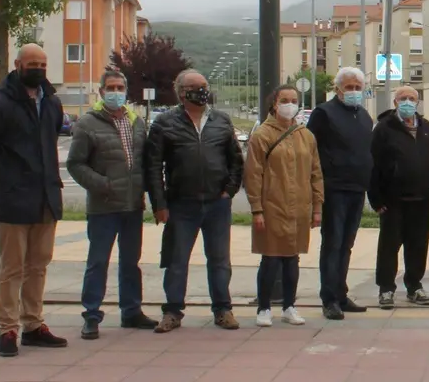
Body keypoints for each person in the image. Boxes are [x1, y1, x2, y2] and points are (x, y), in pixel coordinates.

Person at [0, 44, 69, 357]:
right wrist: (2, 185)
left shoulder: (52, 103)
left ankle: (33, 324)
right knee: (12, 268)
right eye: (32, 64)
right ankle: (8, 329)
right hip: (13, 200)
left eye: (42, 63)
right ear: (17, 64)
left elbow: (50, 144)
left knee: (38, 266)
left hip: (46, 199)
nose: (38, 69)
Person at [146, 69, 245, 333]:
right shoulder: (164, 123)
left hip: (217, 203)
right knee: (177, 260)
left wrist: (229, 190)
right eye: (195, 87)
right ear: (181, 92)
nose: (202, 91)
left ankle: (223, 309)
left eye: (204, 86)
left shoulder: (221, 121)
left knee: (220, 260)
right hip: (181, 204)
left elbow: (236, 160)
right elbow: (153, 167)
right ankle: (173, 312)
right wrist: (159, 204)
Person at [66, 70, 157, 340]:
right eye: (111, 87)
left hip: (132, 206)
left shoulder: (136, 122)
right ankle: (92, 315)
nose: (116, 92)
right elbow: (75, 164)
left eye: (120, 87)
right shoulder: (87, 123)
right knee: (98, 262)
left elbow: (144, 163)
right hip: (103, 206)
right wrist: (103, 184)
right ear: (101, 91)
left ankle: (131, 311)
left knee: (131, 262)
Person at [244, 85, 324, 327]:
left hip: (299, 206)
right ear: (274, 104)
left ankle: (290, 306)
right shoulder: (262, 135)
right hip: (272, 206)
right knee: (270, 258)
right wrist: (256, 208)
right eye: (285, 100)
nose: (290, 104)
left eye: (294, 100)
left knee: (292, 258)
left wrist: (317, 206)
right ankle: (264, 308)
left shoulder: (305, 135)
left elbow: (315, 172)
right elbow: (253, 174)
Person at [306, 67, 373, 319]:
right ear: (337, 89)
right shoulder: (324, 114)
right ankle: (329, 298)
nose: (354, 91)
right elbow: (311, 152)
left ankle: (341, 294)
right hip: (334, 190)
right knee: (333, 244)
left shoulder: (364, 116)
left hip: (357, 188)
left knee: (347, 245)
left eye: (358, 87)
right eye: (349, 87)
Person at [369, 85, 429, 309]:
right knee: (389, 246)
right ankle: (386, 289)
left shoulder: (427, 128)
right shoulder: (383, 128)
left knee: (418, 245)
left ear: (418, 102)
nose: (407, 102)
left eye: (412, 98)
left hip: (420, 198)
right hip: (392, 200)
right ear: (395, 102)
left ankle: (414, 286)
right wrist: (376, 200)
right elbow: (373, 165)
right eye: (403, 98)